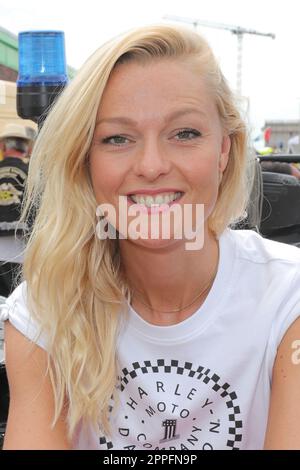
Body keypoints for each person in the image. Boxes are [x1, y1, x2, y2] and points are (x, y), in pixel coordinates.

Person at [1, 24, 300, 451]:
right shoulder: (42, 313)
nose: (152, 165)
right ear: (85, 162)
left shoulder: (288, 296)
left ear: (224, 151)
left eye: (185, 133)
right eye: (118, 138)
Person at [0, 123, 32, 297]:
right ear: (26, 148)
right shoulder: (32, 173)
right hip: (23, 247)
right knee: (19, 297)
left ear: (3, 146)